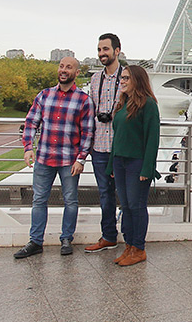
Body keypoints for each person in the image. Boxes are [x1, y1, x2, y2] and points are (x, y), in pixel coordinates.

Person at [14, 57, 95, 259]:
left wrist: (81, 159)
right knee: (39, 200)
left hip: (69, 161)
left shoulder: (84, 100)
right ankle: (35, 241)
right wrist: (27, 147)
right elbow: (31, 122)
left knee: (71, 200)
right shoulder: (44, 95)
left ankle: (66, 238)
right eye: (61, 66)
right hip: (44, 158)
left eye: (69, 67)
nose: (63, 70)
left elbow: (87, 133)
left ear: (77, 73)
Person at [110, 65, 160, 267]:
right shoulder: (123, 104)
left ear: (137, 80)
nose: (121, 81)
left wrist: (147, 168)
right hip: (119, 162)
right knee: (126, 207)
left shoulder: (148, 105)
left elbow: (152, 139)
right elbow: (117, 137)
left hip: (136, 163)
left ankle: (139, 249)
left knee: (137, 206)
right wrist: (111, 166)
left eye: (126, 78)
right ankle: (129, 246)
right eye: (121, 78)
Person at [83, 33, 128, 254]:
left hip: (121, 147)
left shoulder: (128, 78)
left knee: (126, 194)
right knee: (105, 194)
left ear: (117, 51)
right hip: (99, 147)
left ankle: (131, 239)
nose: (102, 54)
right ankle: (109, 236)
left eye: (106, 49)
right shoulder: (94, 79)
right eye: (99, 50)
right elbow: (90, 111)